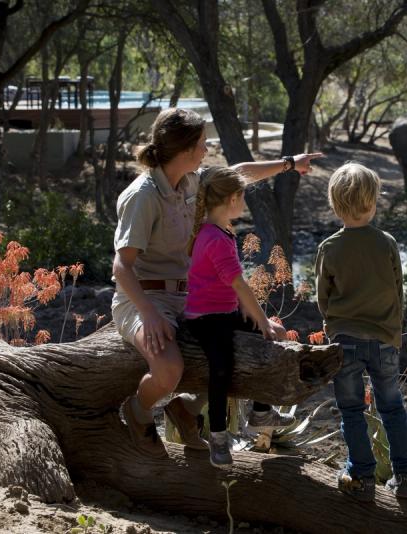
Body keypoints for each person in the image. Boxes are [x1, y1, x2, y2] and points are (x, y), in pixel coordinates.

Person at [112, 107, 321, 455]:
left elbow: (237, 174)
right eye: (202, 144)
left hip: (189, 299)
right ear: (184, 150)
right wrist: (148, 314)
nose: (207, 150)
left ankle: (187, 408)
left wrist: (289, 163)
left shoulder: (191, 180)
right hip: (145, 299)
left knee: (242, 349)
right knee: (168, 370)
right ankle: (137, 411)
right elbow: (122, 267)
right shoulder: (144, 195)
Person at [315, 162, 407, 501]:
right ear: (373, 202)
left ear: (335, 205)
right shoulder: (386, 242)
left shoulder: (329, 248)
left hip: (345, 341)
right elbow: (397, 289)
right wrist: (394, 332)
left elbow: (323, 298)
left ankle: (361, 475)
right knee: (392, 406)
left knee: (351, 410)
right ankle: (405, 475)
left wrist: (332, 326)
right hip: (384, 341)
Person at [184, 166, 290, 466]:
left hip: (225, 312)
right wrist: (260, 320)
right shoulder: (215, 238)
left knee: (277, 334)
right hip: (204, 318)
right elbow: (239, 284)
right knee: (222, 366)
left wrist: (263, 322)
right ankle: (218, 436)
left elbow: (230, 289)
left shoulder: (221, 231)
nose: (245, 203)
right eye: (243, 197)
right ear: (233, 198)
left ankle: (260, 411)